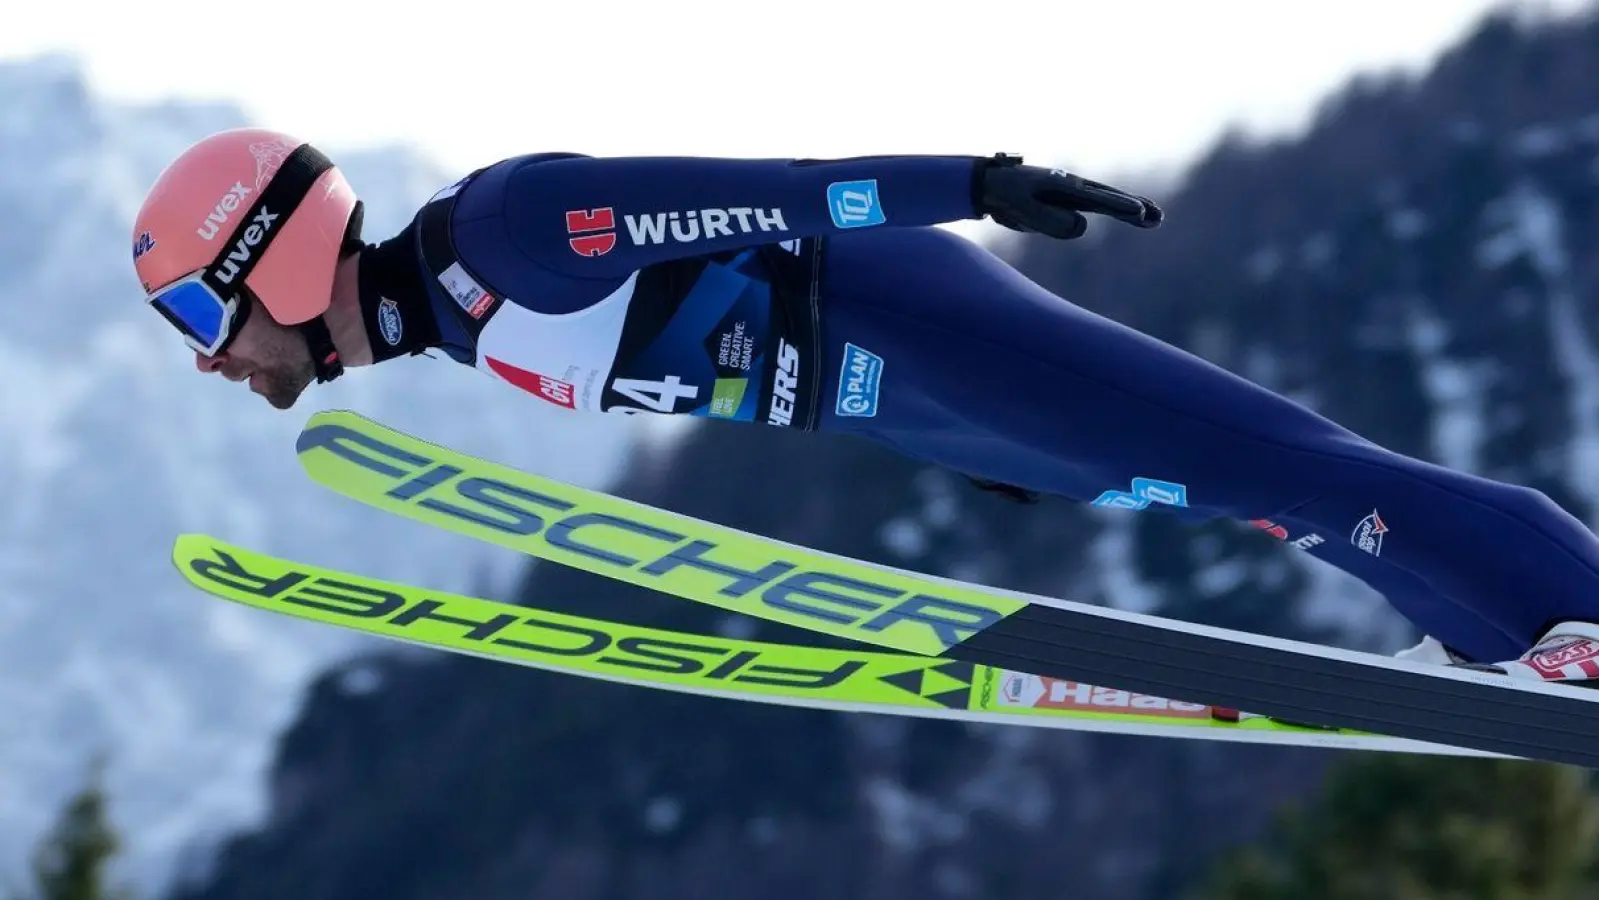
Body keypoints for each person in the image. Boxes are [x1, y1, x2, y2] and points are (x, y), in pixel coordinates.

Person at [131, 126, 1599, 683]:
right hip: (913, 403)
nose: (210, 355)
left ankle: (1563, 605)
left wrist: (972, 184)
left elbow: (768, 199)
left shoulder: (511, 233)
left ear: (279, 254)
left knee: (1267, 460)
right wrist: (961, 452)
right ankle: (1509, 642)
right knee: (1253, 489)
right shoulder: (458, 326)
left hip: (911, 322)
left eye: (203, 311)